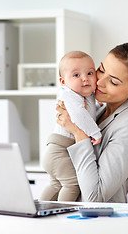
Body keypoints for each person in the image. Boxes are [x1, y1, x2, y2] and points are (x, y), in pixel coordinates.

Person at [55, 42, 128, 202]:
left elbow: (94, 197)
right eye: (101, 70)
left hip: (99, 220)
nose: (99, 82)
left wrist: (77, 132)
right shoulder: (99, 108)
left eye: (113, 82)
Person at [40, 51, 102, 202]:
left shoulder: (85, 95)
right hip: (60, 150)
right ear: (62, 81)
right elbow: (79, 116)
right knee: (72, 184)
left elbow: (89, 114)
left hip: (55, 151)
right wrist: (95, 132)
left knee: (56, 185)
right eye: (76, 75)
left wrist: (101, 107)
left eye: (89, 73)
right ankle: (63, 213)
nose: (85, 79)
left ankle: (39, 207)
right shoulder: (69, 95)